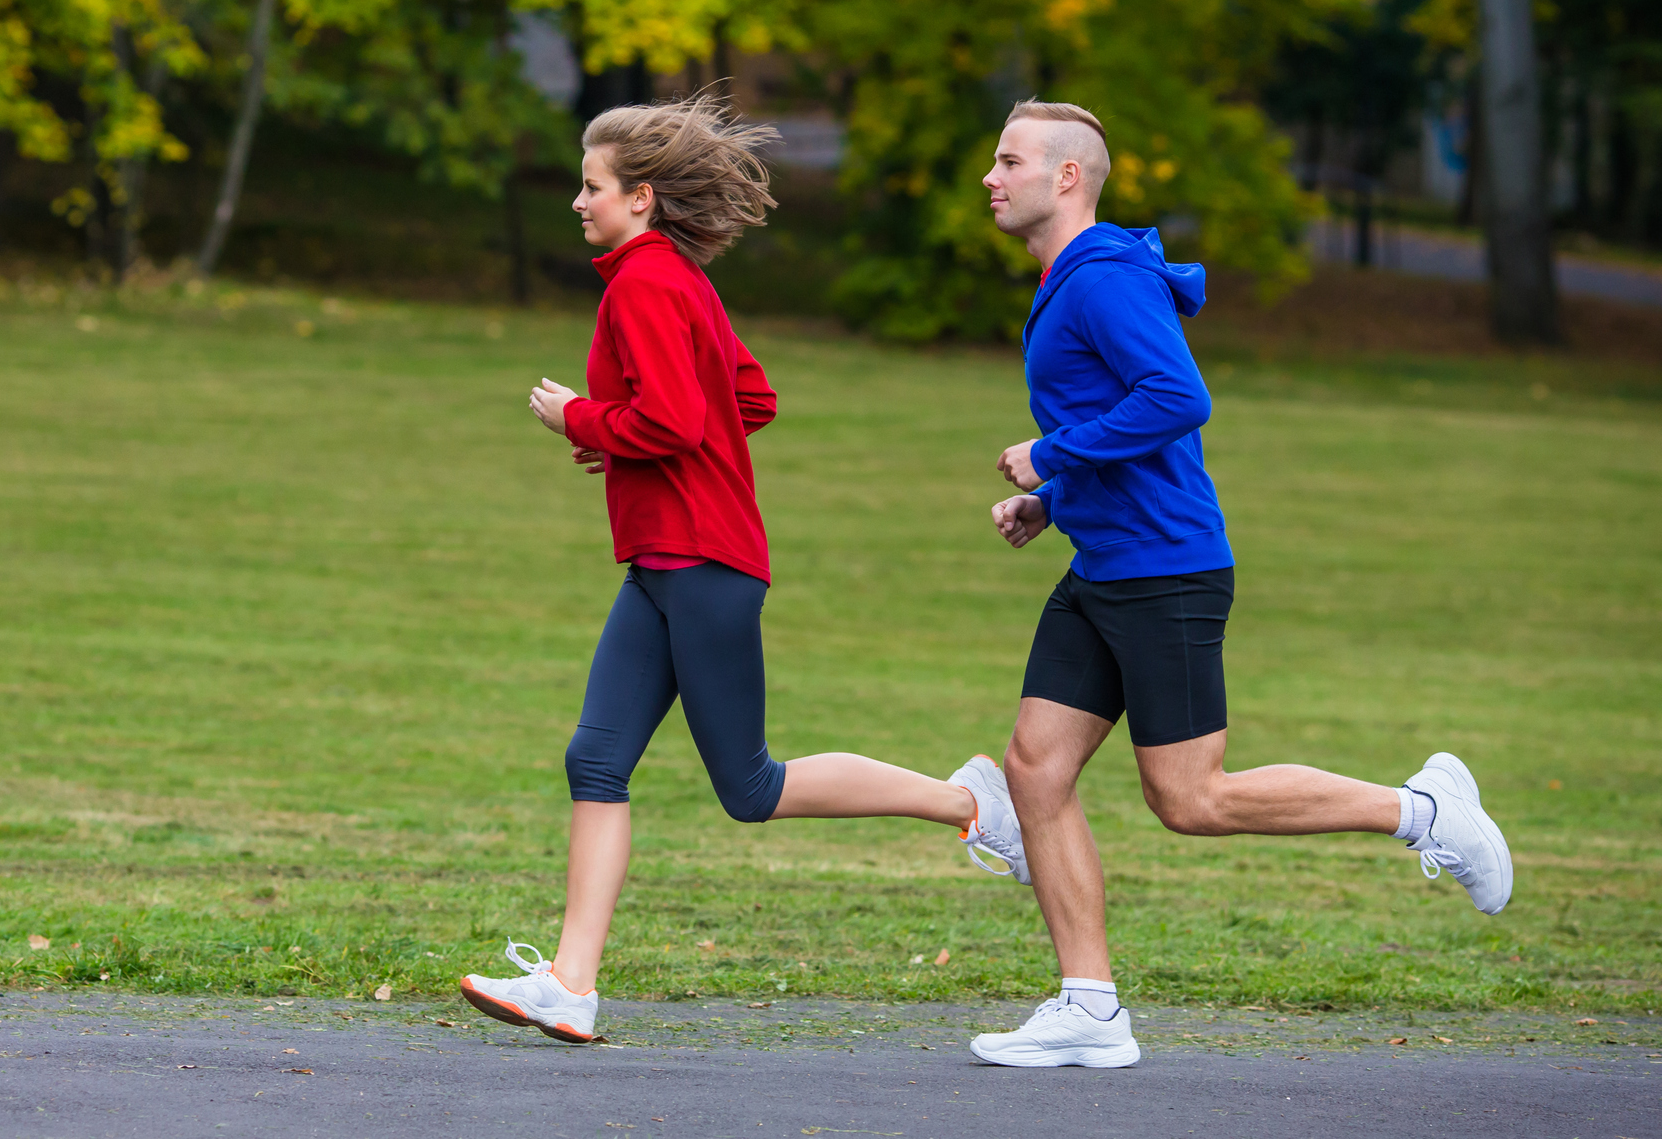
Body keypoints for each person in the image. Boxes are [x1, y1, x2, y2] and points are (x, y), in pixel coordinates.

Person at [458, 93, 1027, 1044]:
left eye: (590, 187)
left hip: (702, 560)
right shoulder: (678, 278)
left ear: (640, 198)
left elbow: (681, 421)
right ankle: (570, 983)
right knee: (595, 758)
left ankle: (968, 800)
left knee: (750, 787)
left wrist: (586, 422)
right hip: (664, 559)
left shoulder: (643, 283)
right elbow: (746, 398)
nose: (577, 202)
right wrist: (631, 440)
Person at [968, 100, 1513, 1068]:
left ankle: (1424, 813)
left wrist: (1050, 452)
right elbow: (1124, 414)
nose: (990, 178)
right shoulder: (1075, 279)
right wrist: (1055, 497)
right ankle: (1088, 1007)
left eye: (1009, 162)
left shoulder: (1101, 280)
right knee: (1036, 769)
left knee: (1193, 799)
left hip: (1164, 572)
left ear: (1066, 178)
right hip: (1107, 563)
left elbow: (1179, 399)